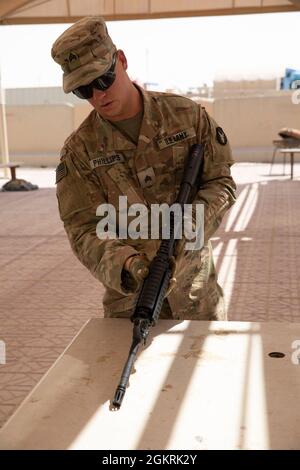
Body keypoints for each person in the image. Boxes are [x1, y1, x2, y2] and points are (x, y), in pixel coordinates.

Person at [51, 16, 236, 320]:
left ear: (121, 60)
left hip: (196, 298)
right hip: (132, 303)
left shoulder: (187, 118)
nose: (98, 96)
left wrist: (193, 221)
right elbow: (82, 228)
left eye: (103, 79)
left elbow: (221, 182)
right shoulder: (79, 152)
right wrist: (127, 262)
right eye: (84, 90)